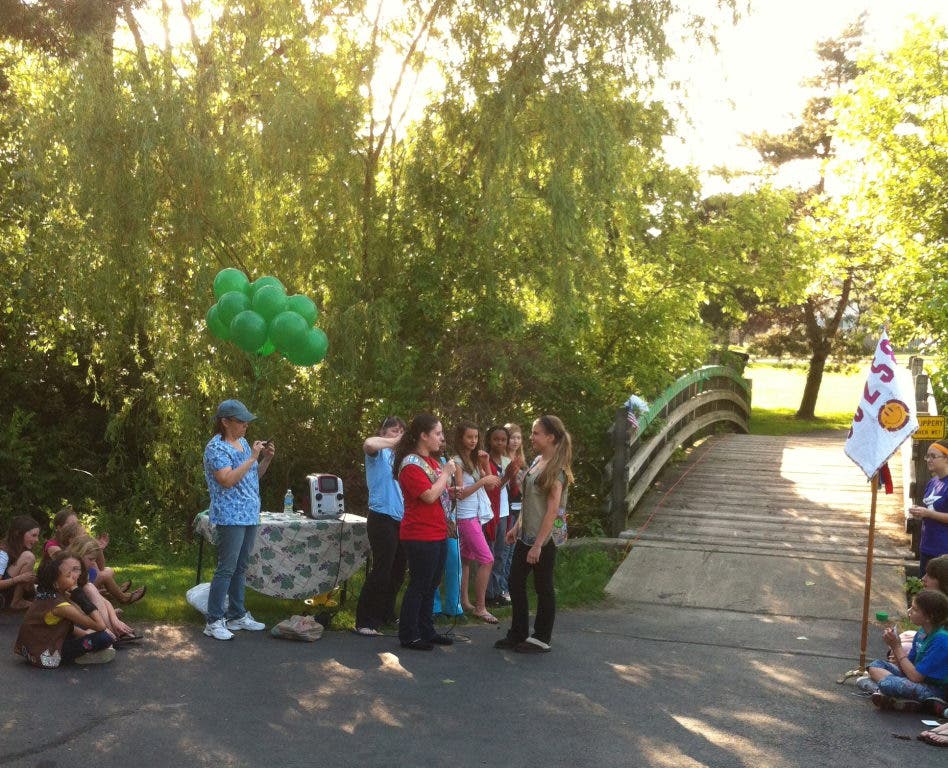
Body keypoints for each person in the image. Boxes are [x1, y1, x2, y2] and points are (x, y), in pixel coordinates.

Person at [495, 415, 573, 654]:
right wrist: (517, 527)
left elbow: (552, 510)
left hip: (544, 537)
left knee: (543, 585)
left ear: (550, 437)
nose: (531, 437)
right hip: (526, 533)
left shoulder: (557, 470)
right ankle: (518, 632)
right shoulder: (538, 460)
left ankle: (541, 637)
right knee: (515, 582)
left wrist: (538, 545)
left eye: (536, 433)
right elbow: (530, 499)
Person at [202, 398, 275, 641]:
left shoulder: (243, 443)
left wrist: (265, 459)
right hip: (230, 515)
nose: (246, 425)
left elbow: (252, 477)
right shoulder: (216, 448)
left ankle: (236, 614)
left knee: (240, 567)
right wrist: (252, 457)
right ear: (225, 422)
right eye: (241, 421)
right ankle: (213, 620)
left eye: (247, 421)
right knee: (226, 568)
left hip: (249, 514)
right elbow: (227, 480)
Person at [393, 413, 457, 650]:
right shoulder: (411, 464)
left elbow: (438, 491)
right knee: (419, 584)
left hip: (438, 531)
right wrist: (447, 474)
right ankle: (409, 634)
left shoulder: (432, 461)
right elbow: (428, 495)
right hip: (420, 533)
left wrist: (452, 490)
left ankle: (426, 630)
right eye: (437, 433)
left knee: (432, 584)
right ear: (423, 435)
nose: (442, 438)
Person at [14, 551, 116, 667]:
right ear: (56, 583)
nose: (75, 576)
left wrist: (85, 634)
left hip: (32, 650)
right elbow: (100, 625)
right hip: (46, 657)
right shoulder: (61, 606)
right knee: (104, 637)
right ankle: (81, 656)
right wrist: (79, 595)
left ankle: (87, 649)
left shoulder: (46, 595)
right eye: (68, 575)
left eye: (76, 570)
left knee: (92, 630)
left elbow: (63, 625)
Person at [354, 416, 407, 637]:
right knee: (382, 570)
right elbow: (368, 443)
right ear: (383, 432)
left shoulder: (404, 458)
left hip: (402, 519)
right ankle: (365, 620)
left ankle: (386, 613)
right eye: (394, 430)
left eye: (402, 431)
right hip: (381, 517)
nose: (399, 435)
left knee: (398, 571)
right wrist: (397, 441)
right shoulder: (378, 453)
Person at [859, 589, 948, 712]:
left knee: (885, 684)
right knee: (875, 665)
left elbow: (916, 677)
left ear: (929, 616)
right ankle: (900, 699)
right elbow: (907, 668)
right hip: (911, 680)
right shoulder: (922, 632)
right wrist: (895, 651)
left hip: (934, 690)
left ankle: (927, 702)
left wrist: (897, 647)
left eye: (915, 609)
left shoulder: (941, 640)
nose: (909, 611)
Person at [451, 422, 501, 623]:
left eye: (476, 437)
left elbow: (491, 486)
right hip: (465, 517)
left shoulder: (473, 460)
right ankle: (480, 607)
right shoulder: (457, 462)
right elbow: (460, 494)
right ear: (460, 438)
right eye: (469, 437)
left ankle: (464, 601)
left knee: (466, 560)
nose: (473, 441)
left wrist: (486, 463)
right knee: (487, 559)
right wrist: (481, 481)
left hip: (475, 515)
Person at [485, 424, 524, 607]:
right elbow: (491, 489)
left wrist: (516, 477)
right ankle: (488, 594)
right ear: (489, 440)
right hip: (491, 513)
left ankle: (498, 590)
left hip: (505, 512)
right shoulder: (485, 461)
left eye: (503, 440)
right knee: (491, 553)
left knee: (501, 553)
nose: (500, 443)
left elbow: (513, 491)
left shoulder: (507, 461)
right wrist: (507, 476)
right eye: (496, 439)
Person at [910, 440, 948, 576]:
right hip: (927, 546)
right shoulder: (932, 482)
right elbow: (931, 510)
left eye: (933, 456)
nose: (928, 460)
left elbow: (932, 513)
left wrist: (928, 513)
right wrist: (920, 512)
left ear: (946, 459)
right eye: (927, 456)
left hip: (943, 551)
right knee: (924, 584)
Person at [0, 515, 40, 610]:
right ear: (18, 534)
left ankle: (19, 599)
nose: (37, 540)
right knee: (28, 557)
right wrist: (19, 579)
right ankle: (16, 602)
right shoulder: (3, 553)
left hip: (9, 590)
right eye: (33, 535)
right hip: (2, 595)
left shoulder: (20, 549)